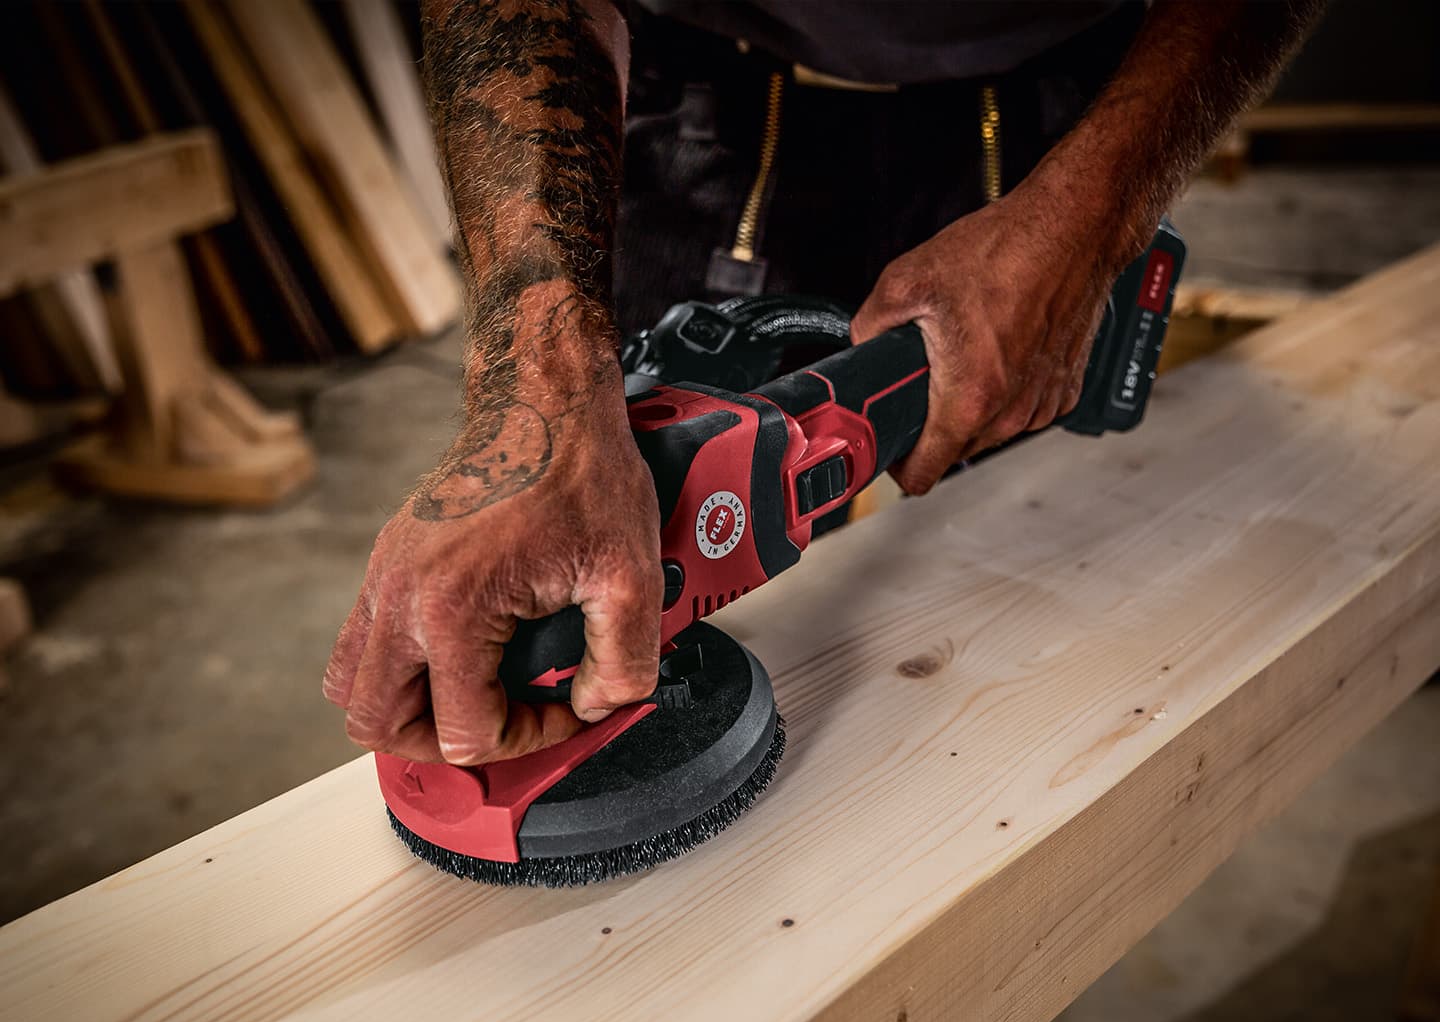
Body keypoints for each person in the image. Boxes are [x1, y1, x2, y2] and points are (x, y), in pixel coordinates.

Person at [324, 0, 1324, 766]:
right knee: (625, 543)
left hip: (1050, 133)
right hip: (705, 103)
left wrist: (1093, 222)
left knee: (1014, 669)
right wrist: (535, 386)